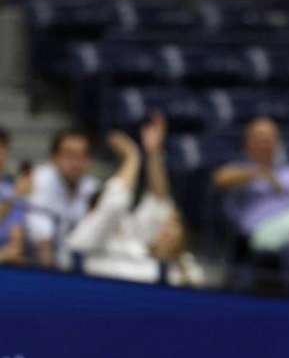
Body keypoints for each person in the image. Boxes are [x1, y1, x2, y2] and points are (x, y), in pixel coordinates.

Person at [66, 114, 203, 286]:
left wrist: (153, 154)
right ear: (92, 211)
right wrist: (132, 157)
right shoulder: (83, 236)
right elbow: (114, 204)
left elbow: (159, 202)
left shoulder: (132, 237)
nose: (120, 214)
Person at [213, 116, 289, 297]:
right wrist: (260, 173)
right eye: (260, 138)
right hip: (260, 232)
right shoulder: (240, 171)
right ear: (248, 143)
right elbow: (220, 179)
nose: (265, 143)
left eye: (270, 138)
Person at [27, 129, 100, 267]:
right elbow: (43, 237)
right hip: (36, 268)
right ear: (54, 158)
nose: (76, 162)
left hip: (79, 267)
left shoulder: (93, 188)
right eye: (69, 155)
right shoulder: (39, 180)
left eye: (82, 156)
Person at [0, 128, 28, 265]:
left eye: (2, 147)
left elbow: (16, 247)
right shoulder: (14, 194)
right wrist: (13, 198)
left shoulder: (12, 191)